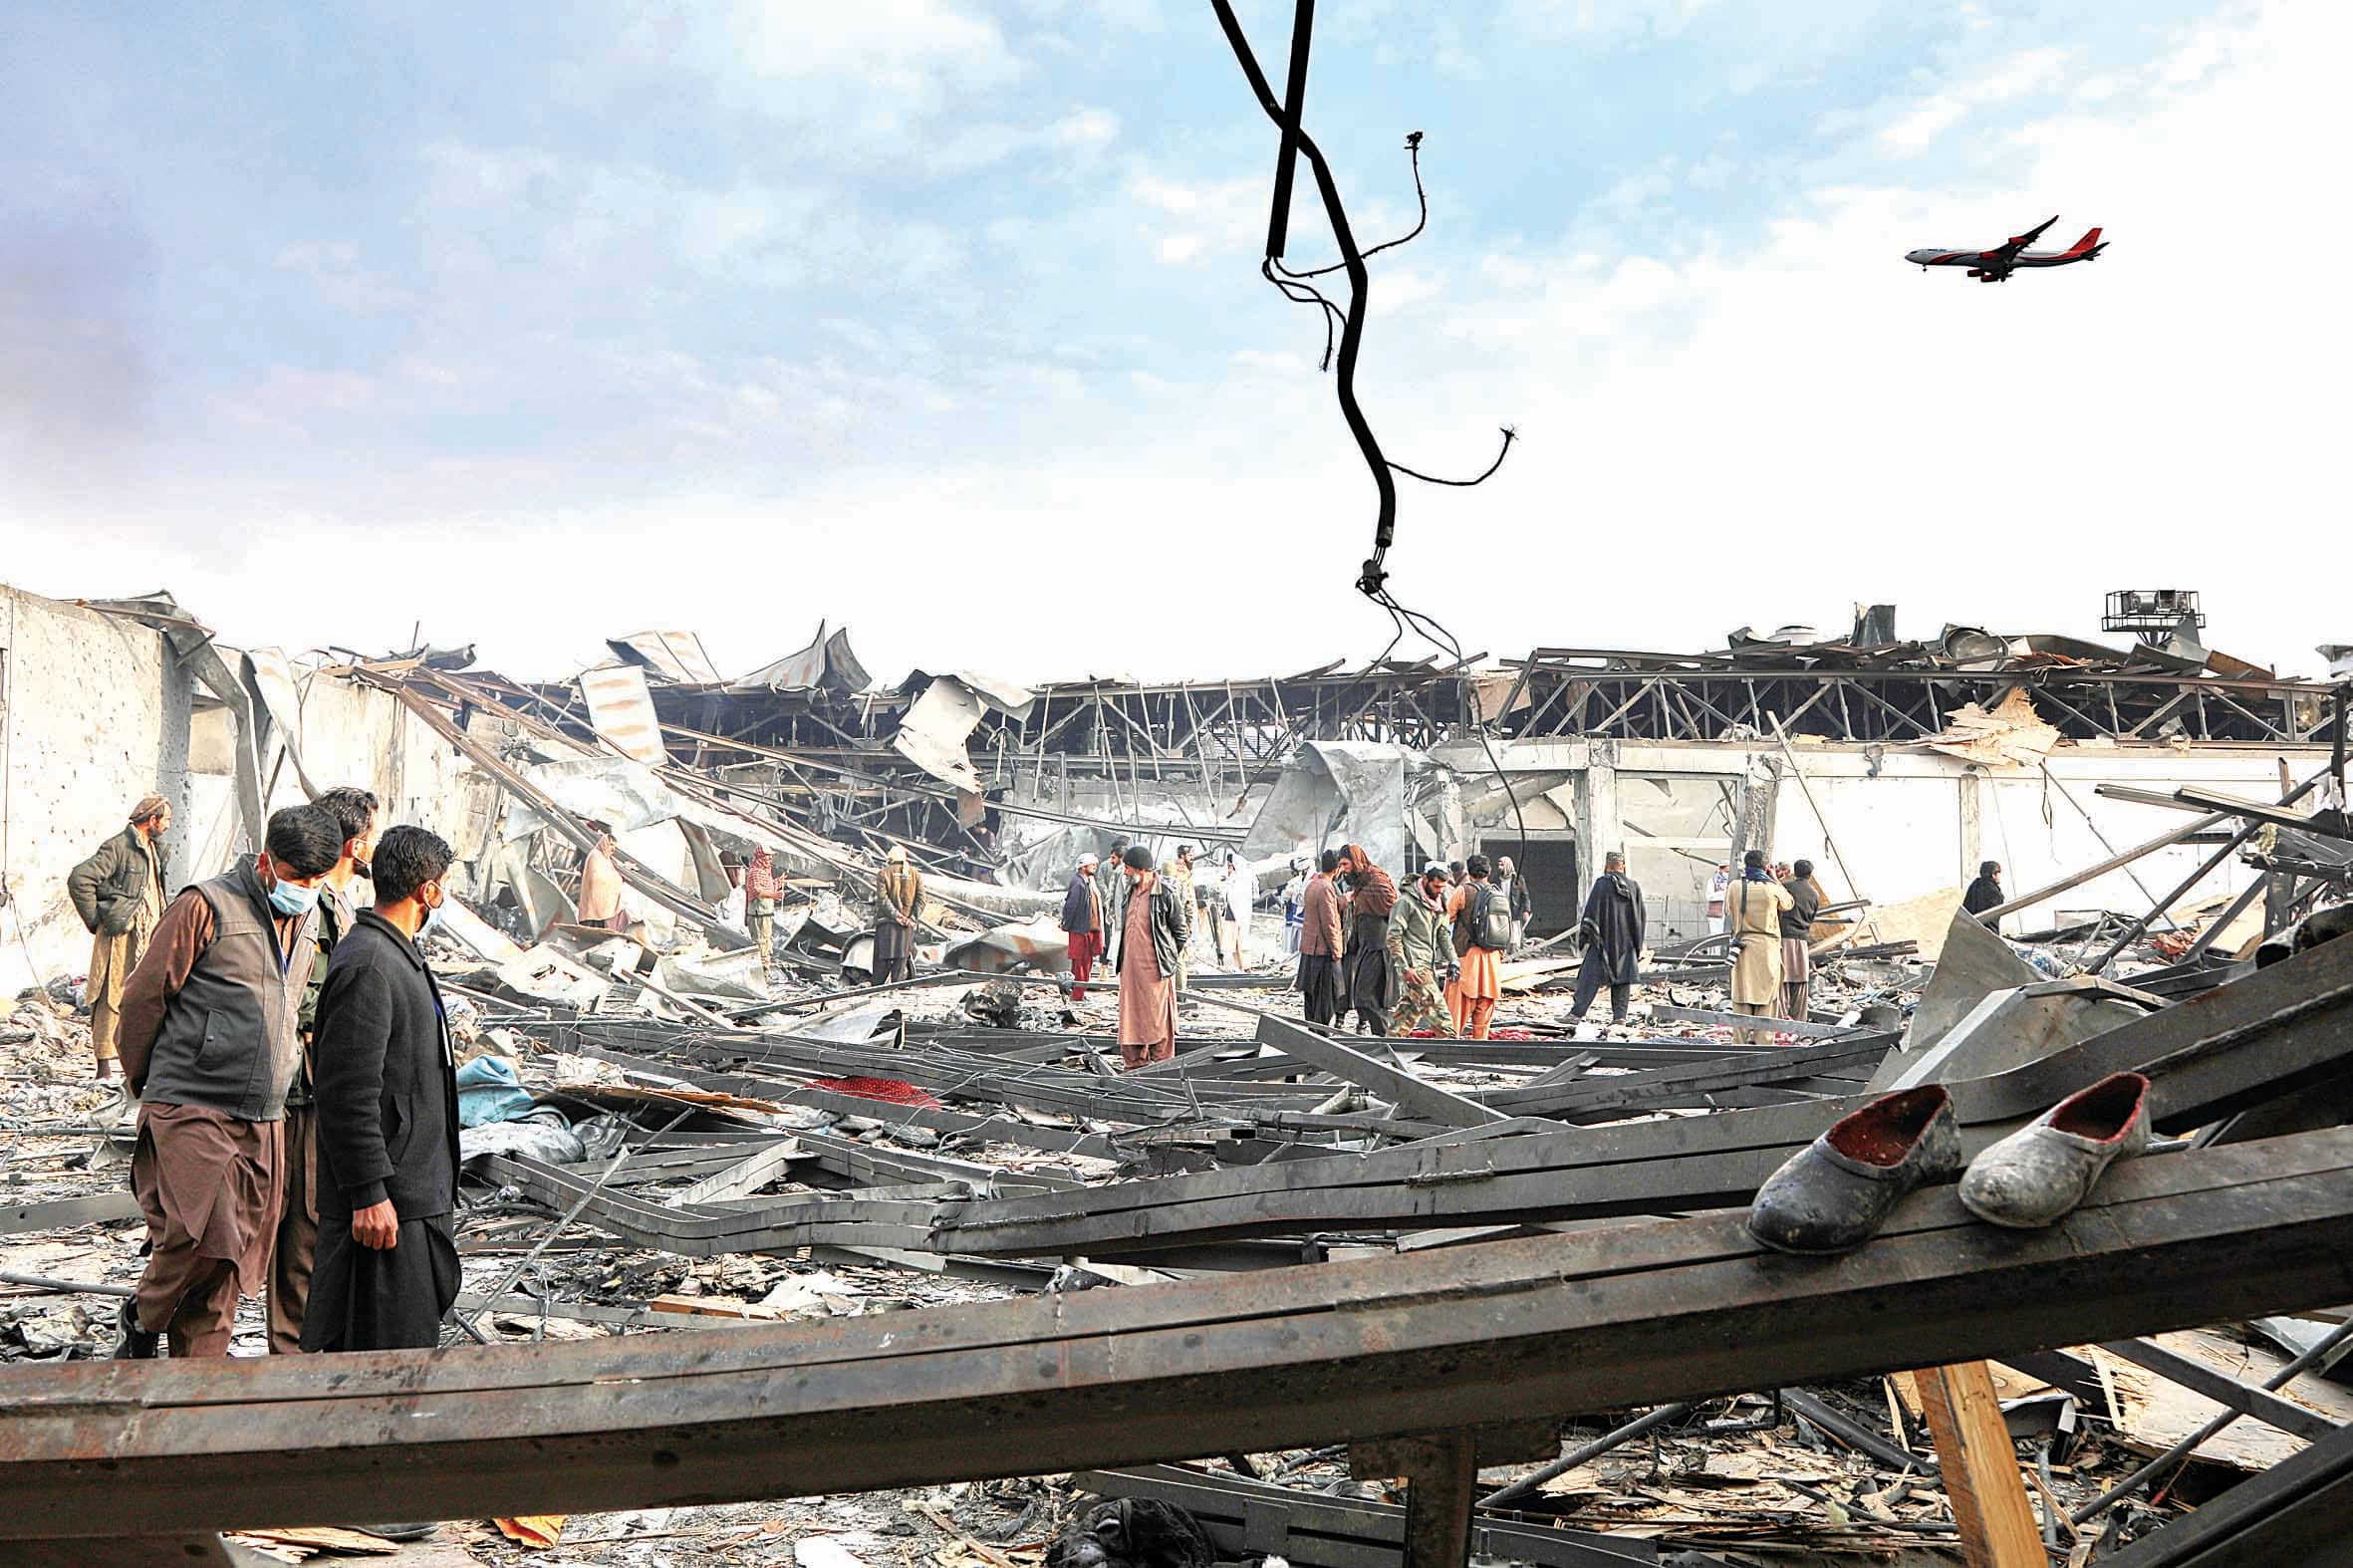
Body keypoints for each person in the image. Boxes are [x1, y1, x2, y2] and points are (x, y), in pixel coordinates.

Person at [113, 804, 341, 1359]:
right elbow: (143, 998)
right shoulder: (205, 905)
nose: (305, 889)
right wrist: (148, 1083)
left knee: (233, 1259)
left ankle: (194, 1388)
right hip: (193, 1102)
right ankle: (142, 1316)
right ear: (265, 862)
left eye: (315, 880)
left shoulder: (315, 918)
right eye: (296, 877)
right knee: (205, 1233)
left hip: (265, 1114)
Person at [305, 825, 460, 1356]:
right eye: (443, 886)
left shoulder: (397, 955)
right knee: (377, 1362)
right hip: (385, 1208)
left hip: (411, 1197)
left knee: (406, 1352)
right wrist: (369, 1192)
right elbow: (345, 1092)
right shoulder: (370, 963)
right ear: (428, 891)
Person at [270, 784, 380, 1357]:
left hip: (314, 1085)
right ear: (355, 844)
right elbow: (300, 1000)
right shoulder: (310, 906)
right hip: (298, 1087)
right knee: (298, 1227)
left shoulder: (336, 905)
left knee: (308, 1227)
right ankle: (291, 1357)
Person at [68, 794, 172, 1081]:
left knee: (143, 998)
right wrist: (98, 920)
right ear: (152, 820)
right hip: (121, 935)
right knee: (110, 996)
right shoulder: (118, 846)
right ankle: (103, 1068)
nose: (168, 826)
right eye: (166, 820)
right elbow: (80, 879)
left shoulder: (155, 849)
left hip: (148, 936)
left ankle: (136, 1065)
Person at [1115, 845, 1188, 1069]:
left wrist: (1167, 958)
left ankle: (1162, 1066)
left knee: (1157, 1019)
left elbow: (1180, 932)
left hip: (1155, 972)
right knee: (1130, 1018)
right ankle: (1134, 1065)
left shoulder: (1165, 894)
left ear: (1141, 869)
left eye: (1128, 868)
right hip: (1130, 971)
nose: (1125, 872)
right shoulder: (1130, 892)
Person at [1568, 852, 1645, 1028]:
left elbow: (1591, 911)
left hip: (1602, 942)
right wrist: (1637, 944)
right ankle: (1619, 1017)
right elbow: (1640, 917)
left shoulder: (1601, 884)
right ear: (1623, 866)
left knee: (1588, 977)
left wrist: (1584, 938)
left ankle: (1576, 1014)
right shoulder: (1634, 886)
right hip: (1626, 945)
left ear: (1607, 866)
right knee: (1622, 980)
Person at [1727, 850, 1794, 1042]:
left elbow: (1728, 910)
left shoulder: (1735, 887)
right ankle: (1763, 1042)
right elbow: (1788, 903)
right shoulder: (1772, 889)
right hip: (1767, 948)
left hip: (1743, 947)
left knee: (1742, 995)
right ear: (1766, 867)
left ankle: (1739, 1044)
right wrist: (1774, 878)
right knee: (1767, 997)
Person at [1337, 844, 1400, 1037]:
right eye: (1341, 865)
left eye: (1345, 864)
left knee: (1368, 998)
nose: (1343, 869)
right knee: (1363, 998)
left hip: (1379, 948)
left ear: (1356, 861)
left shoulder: (1376, 881)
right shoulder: (1362, 883)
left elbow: (1395, 909)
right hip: (1366, 946)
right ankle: (1383, 1038)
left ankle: (1386, 1038)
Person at [1390, 865, 1456, 1035]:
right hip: (1415, 968)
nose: (1439, 891)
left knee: (1404, 1018)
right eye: (1436, 886)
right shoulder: (1406, 902)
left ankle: (1390, 1046)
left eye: (1443, 887)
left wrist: (1453, 959)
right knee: (1443, 1020)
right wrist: (1405, 968)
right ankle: (1451, 1049)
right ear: (1425, 879)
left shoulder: (1440, 904)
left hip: (1427, 965)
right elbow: (1394, 937)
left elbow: (1443, 935)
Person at [1446, 854, 1505, 1040]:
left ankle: (1452, 1045)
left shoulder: (1463, 891)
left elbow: (1446, 917)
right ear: (1489, 872)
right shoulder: (1497, 893)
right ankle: (1481, 1045)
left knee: (1457, 1009)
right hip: (1492, 959)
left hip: (1467, 957)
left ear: (1469, 872)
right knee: (1484, 1010)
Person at [1296, 850, 1345, 1026]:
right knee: (1325, 997)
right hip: (1322, 950)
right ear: (1337, 869)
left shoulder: (1312, 885)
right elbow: (1329, 922)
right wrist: (1337, 951)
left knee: (1311, 994)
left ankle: (1312, 1029)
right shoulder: (1326, 888)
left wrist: (1343, 901)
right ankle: (1320, 1032)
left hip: (1309, 948)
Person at [1779, 859, 1824, 1020]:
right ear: (1810, 874)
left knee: (1782, 982)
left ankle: (1779, 1023)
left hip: (1784, 940)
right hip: (1802, 941)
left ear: (1794, 872)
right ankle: (1798, 1023)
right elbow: (1812, 918)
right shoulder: (1814, 894)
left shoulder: (1786, 888)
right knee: (1800, 983)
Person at [1060, 853, 1105, 1002]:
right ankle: (1077, 995)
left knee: (1086, 963)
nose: (1095, 867)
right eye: (1092, 864)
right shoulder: (1078, 884)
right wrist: (1067, 924)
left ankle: (1080, 992)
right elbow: (1070, 907)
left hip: (1087, 929)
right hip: (1080, 930)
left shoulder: (1087, 882)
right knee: (1079, 964)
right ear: (1083, 866)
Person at [875, 846, 922, 983]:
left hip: (886, 924)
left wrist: (896, 916)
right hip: (907, 926)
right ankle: (896, 989)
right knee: (901, 962)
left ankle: (877, 988)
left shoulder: (883, 873)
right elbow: (921, 900)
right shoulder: (915, 874)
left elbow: (883, 900)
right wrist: (911, 919)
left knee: (882, 962)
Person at [577, 823, 625, 930]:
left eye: (614, 846)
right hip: (594, 902)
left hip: (605, 902)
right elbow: (595, 879)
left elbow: (613, 875)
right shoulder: (595, 856)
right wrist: (614, 880)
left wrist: (617, 878)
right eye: (610, 845)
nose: (612, 848)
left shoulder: (606, 859)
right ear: (604, 844)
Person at [743, 847, 779, 977]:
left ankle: (765, 973)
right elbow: (757, 891)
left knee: (766, 943)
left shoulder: (764, 872)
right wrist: (774, 895)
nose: (770, 858)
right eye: (767, 856)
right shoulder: (756, 872)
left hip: (765, 914)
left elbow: (767, 887)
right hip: (759, 915)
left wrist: (777, 883)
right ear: (760, 856)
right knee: (761, 944)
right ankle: (762, 975)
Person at [1100, 837, 1132, 970]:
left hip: (1119, 917)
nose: (1111, 860)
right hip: (1112, 912)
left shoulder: (1123, 873)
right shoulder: (1111, 868)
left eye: (1113, 857)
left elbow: (1122, 898)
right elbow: (1101, 882)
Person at [1495, 856, 1533, 950]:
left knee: (1514, 936)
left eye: (1502, 865)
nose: (1500, 867)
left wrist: (1526, 910)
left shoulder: (1518, 879)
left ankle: (1514, 953)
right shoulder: (1496, 879)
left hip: (1514, 911)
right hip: (1500, 911)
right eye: (1499, 865)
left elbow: (1525, 896)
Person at [1223, 852, 1252, 969]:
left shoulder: (1241, 879)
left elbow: (1240, 898)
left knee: (1241, 941)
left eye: (1230, 866)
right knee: (1232, 942)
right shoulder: (1231, 879)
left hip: (1240, 915)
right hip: (1231, 913)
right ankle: (1237, 965)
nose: (1228, 869)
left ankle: (1245, 966)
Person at [1281, 856, 1309, 957]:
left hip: (1299, 917)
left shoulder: (1302, 882)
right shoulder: (1294, 882)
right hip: (1293, 916)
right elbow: (1285, 896)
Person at [1964, 860, 2004, 924]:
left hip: (1969, 926)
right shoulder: (1993, 891)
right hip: (1986, 929)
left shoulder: (1974, 885)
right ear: (1994, 874)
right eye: (1999, 872)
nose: (2000, 876)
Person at [1707, 863, 1731, 936]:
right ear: (1721, 869)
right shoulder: (1712, 880)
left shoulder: (1732, 881)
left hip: (1729, 913)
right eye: (1726, 871)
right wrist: (1724, 893)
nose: (1727, 874)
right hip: (1716, 913)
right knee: (1716, 935)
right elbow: (1709, 896)